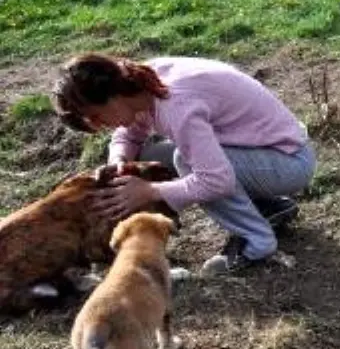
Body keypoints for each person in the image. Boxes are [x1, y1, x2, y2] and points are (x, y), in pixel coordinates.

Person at [52, 53, 317, 275]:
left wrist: (150, 191)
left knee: (187, 162)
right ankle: (266, 207)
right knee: (150, 153)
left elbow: (216, 180)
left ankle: (256, 241)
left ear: (110, 95)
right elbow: (130, 134)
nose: (101, 126)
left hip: (289, 161)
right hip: (258, 150)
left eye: (97, 116)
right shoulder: (139, 83)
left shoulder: (177, 106)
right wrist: (119, 162)